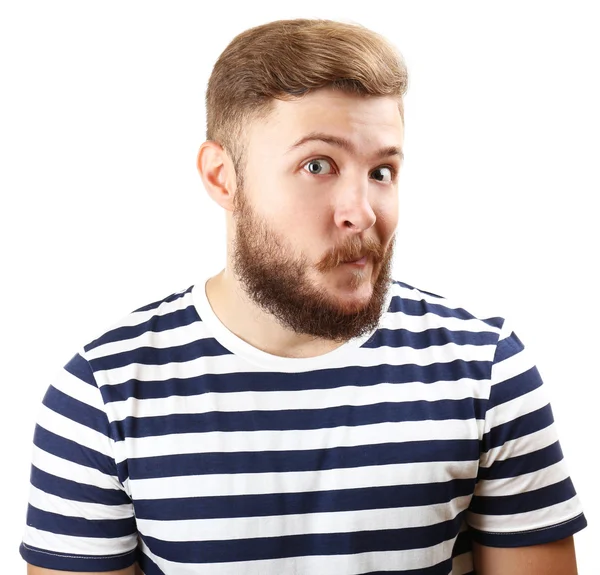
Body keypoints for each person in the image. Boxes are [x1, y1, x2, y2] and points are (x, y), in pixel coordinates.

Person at [21, 18, 586, 575]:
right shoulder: (104, 393)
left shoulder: (484, 370)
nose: (362, 211)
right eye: (318, 165)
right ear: (223, 177)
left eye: (383, 171)